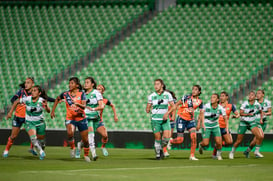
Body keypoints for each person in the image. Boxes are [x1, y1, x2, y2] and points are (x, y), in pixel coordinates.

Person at [51, 77, 91, 162]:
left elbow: (84, 106)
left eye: (72, 83)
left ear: (77, 85)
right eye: (69, 83)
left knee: (85, 140)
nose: (70, 85)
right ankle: (72, 148)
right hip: (70, 118)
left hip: (81, 119)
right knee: (70, 133)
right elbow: (57, 99)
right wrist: (53, 111)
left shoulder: (82, 94)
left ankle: (86, 155)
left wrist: (77, 104)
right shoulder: (65, 94)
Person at [6, 85, 50, 160]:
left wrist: (46, 106)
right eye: (32, 91)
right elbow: (16, 101)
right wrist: (10, 112)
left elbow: (48, 111)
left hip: (40, 123)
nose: (32, 92)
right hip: (30, 122)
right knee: (33, 139)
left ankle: (42, 147)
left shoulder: (41, 101)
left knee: (41, 141)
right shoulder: (27, 99)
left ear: (39, 93)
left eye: (35, 91)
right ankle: (41, 152)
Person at [167, 85, 204, 160]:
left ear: (199, 92)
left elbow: (201, 113)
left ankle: (192, 155)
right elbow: (176, 104)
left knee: (194, 137)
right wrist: (173, 115)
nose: (193, 91)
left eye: (196, 89)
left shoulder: (200, 102)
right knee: (180, 140)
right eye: (193, 89)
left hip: (190, 120)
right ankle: (169, 141)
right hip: (181, 119)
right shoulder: (186, 97)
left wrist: (199, 123)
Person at [75, 77, 104, 160]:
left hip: (95, 117)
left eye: (87, 82)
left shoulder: (96, 93)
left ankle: (80, 145)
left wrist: (94, 109)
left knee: (88, 137)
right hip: (86, 116)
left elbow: (101, 106)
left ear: (92, 84)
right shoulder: (82, 93)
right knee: (91, 135)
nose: (85, 84)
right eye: (85, 82)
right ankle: (94, 154)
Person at [229, 91, 264, 159]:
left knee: (259, 136)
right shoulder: (245, 104)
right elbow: (241, 113)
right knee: (239, 141)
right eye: (249, 95)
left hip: (252, 122)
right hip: (244, 122)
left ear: (255, 97)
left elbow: (261, 111)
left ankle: (256, 152)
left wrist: (261, 119)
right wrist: (248, 114)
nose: (250, 96)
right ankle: (232, 152)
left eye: (252, 95)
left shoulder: (257, 104)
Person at [146, 79, 175, 160]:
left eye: (158, 84)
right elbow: (147, 108)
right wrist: (148, 108)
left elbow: (173, 106)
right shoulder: (151, 96)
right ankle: (158, 154)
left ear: (162, 85)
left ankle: (161, 148)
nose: (156, 86)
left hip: (165, 120)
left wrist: (167, 113)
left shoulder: (167, 95)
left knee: (166, 138)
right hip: (155, 120)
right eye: (155, 84)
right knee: (158, 138)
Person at [198, 93, 228, 160]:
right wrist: (201, 123)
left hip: (215, 126)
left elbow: (225, 118)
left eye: (214, 97)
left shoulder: (220, 108)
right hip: (206, 126)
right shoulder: (207, 106)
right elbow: (201, 114)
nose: (212, 99)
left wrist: (227, 128)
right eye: (211, 97)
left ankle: (218, 155)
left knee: (219, 142)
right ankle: (200, 145)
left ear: (217, 100)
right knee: (205, 143)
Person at [243, 89, 271, 158]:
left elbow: (270, 112)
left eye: (259, 93)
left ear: (263, 95)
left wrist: (265, 113)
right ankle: (256, 152)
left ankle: (248, 151)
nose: (257, 95)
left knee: (256, 138)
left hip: (263, 122)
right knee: (258, 137)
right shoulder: (254, 102)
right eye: (257, 93)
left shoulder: (267, 102)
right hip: (256, 121)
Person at [212, 91, 239, 158]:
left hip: (224, 127)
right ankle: (215, 154)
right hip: (217, 126)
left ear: (227, 97)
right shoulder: (217, 105)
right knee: (219, 142)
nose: (221, 97)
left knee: (229, 142)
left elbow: (237, 114)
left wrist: (236, 116)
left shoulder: (231, 106)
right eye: (220, 96)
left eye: (223, 96)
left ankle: (217, 145)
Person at [96, 84, 118, 156]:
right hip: (89, 120)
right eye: (97, 89)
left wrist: (115, 116)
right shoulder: (91, 98)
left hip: (98, 121)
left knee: (105, 135)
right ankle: (79, 148)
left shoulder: (104, 100)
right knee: (85, 139)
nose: (98, 90)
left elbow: (112, 105)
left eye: (100, 89)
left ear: (103, 91)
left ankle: (103, 147)